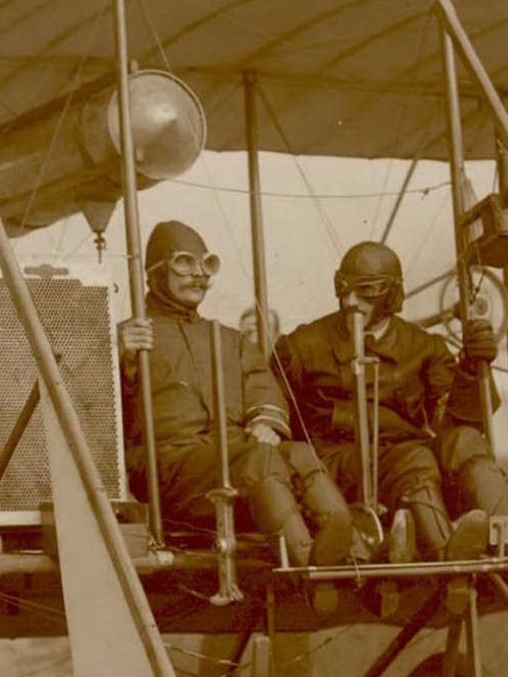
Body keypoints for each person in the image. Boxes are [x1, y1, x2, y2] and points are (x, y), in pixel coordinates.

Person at [275, 240, 508, 563]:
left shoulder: (425, 348)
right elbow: (275, 422)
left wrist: (469, 371)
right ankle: (446, 553)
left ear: (393, 295)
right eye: (343, 289)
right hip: (335, 463)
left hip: (404, 462)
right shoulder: (300, 347)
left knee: (465, 441)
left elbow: (455, 423)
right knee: (416, 461)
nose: (350, 301)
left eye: (365, 291)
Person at [117, 220, 359, 567]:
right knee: (258, 459)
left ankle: (352, 551)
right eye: (185, 264)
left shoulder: (230, 340)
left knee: (299, 454)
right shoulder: (133, 337)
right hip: (168, 465)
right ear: (156, 271)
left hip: (232, 458)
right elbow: (98, 407)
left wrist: (265, 422)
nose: (199, 275)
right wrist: (118, 352)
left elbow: (261, 383)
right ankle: (311, 565)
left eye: (207, 265)